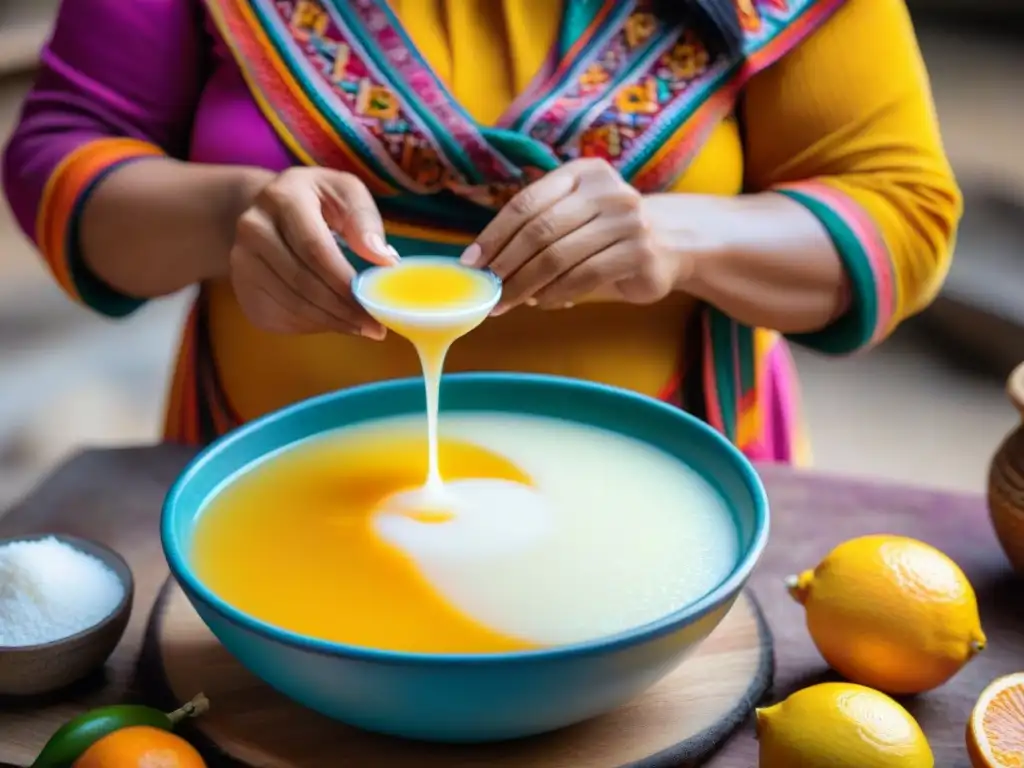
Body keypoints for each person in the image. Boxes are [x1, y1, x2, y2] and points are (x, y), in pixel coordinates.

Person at [2, 0, 961, 464]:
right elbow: (60, 152)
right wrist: (230, 216)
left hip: (662, 497)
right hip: (267, 475)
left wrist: (673, 239)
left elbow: (902, 211)